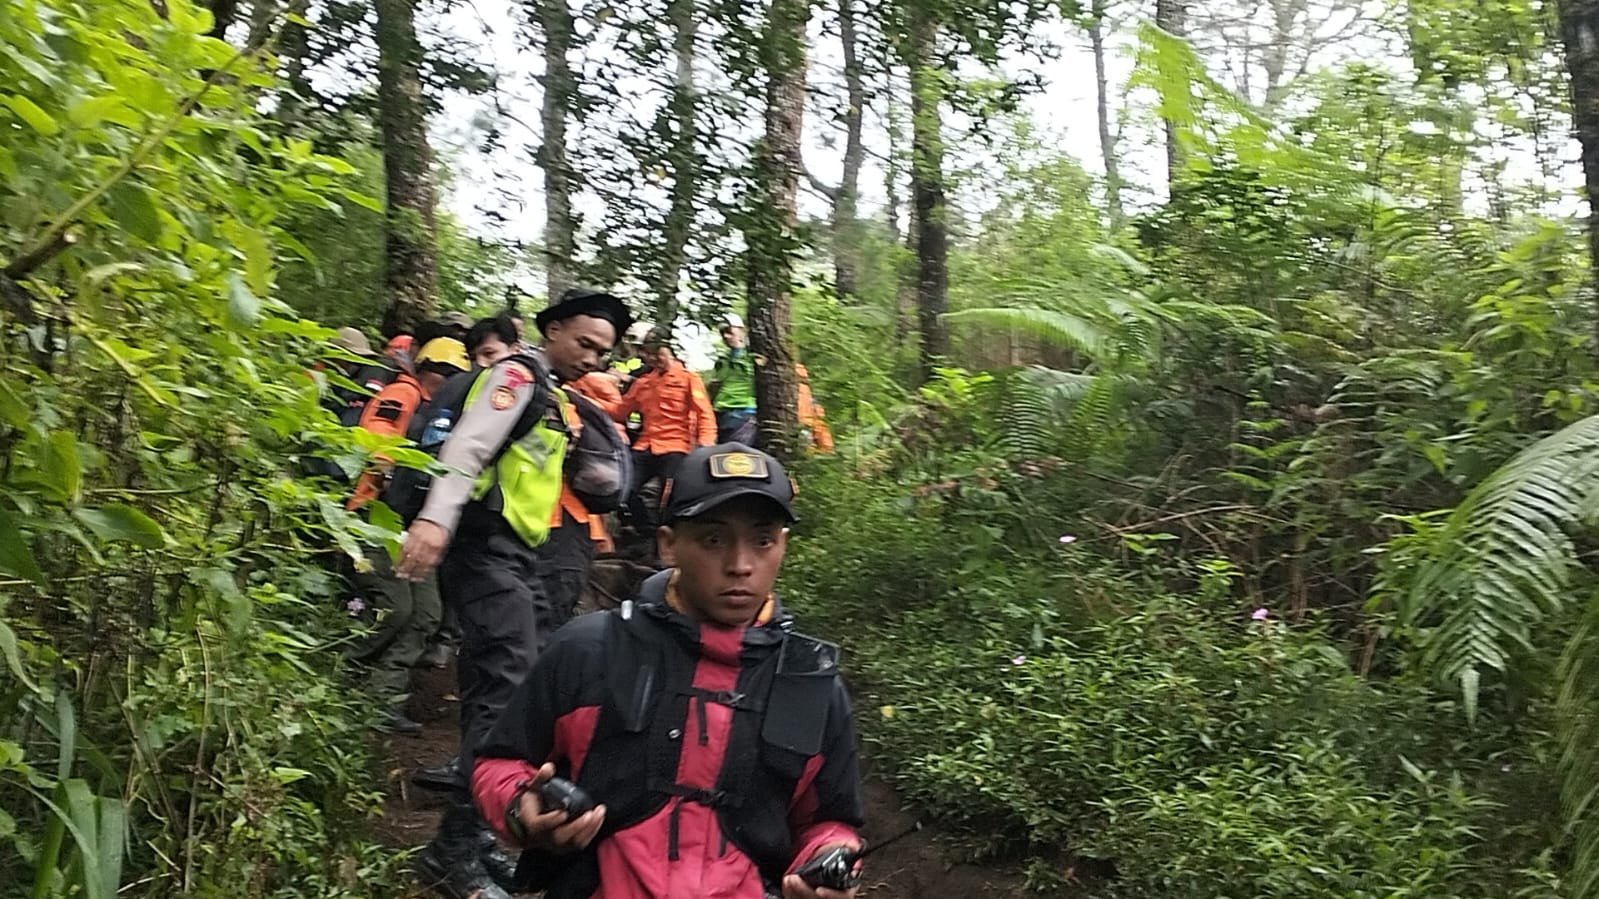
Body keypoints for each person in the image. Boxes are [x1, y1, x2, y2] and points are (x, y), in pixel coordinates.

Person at [470, 443, 866, 899]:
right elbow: (498, 763)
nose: (741, 565)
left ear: (782, 545)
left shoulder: (809, 682)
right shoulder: (590, 650)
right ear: (668, 544)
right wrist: (524, 809)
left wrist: (828, 861)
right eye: (713, 540)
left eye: (762, 540)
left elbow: (829, 822)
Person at [398, 288, 630, 899]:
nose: (592, 358)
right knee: (511, 684)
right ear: (550, 330)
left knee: (495, 690)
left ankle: (472, 840)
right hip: (482, 547)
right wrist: (434, 521)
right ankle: (455, 845)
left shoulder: (555, 394)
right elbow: (468, 447)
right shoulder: (516, 375)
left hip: (518, 555)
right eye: (584, 343)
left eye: (603, 352)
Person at [345, 338, 470, 734]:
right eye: (438, 369)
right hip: (376, 515)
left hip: (412, 523)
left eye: (452, 374)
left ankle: (382, 701)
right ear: (421, 365)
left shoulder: (447, 412)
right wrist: (382, 472)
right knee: (395, 609)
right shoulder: (403, 394)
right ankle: (338, 673)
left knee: (426, 615)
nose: (443, 378)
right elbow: (376, 436)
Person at [610, 329, 716, 531]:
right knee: (622, 488)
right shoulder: (643, 383)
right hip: (646, 445)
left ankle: (663, 544)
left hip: (676, 446)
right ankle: (646, 532)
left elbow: (704, 414)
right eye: (649, 353)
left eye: (657, 352)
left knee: (670, 496)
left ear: (669, 350)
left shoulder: (688, 379)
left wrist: (706, 446)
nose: (652, 358)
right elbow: (619, 411)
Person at [709, 313, 758, 444]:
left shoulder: (753, 357)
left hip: (744, 412)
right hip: (720, 413)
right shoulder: (722, 361)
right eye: (722, 333)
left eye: (729, 331)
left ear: (742, 330)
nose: (725, 336)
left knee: (736, 456)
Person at [796, 364, 836, 454]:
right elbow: (819, 417)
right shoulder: (807, 393)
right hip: (807, 427)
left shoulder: (800, 390)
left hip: (801, 427)